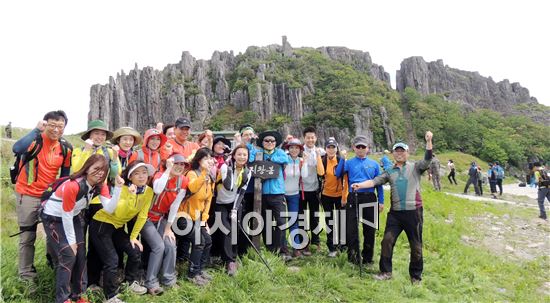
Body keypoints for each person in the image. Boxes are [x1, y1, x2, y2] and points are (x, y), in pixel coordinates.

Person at [351, 131, 433, 284]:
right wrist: (359, 185)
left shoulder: (415, 167)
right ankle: (385, 272)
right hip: (395, 214)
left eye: (402, 151)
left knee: (415, 245)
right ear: (394, 154)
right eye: (397, 151)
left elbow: (428, 160)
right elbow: (374, 181)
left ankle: (415, 276)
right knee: (387, 241)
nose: (400, 153)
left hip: (413, 212)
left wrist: (429, 141)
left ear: (407, 153)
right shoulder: (389, 171)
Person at [41, 155, 116, 303]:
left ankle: (79, 295)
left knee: (81, 255)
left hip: (73, 216)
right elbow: (66, 215)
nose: (100, 173)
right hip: (54, 218)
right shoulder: (73, 185)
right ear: (87, 168)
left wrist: (118, 188)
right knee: (69, 255)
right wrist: (71, 242)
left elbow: (109, 208)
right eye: (96, 169)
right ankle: (63, 299)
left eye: (104, 170)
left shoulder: (101, 185)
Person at [12, 111, 72, 283]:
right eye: (52, 125)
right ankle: (26, 276)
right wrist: (36, 130)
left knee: (53, 233)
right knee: (27, 235)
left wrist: (58, 197)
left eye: (60, 126)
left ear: (64, 127)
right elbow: (17, 148)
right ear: (45, 124)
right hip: (28, 194)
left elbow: (65, 176)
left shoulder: (66, 147)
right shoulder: (35, 141)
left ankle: (53, 264)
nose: (55, 129)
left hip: (49, 197)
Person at [90, 161, 155, 303]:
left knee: (134, 250)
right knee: (112, 260)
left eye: (144, 172)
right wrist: (131, 195)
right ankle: (110, 296)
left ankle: (130, 283)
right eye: (136, 173)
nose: (141, 176)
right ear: (130, 177)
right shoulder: (123, 189)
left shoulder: (148, 191)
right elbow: (118, 212)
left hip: (117, 227)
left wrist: (133, 237)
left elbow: (143, 215)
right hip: (102, 224)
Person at [72, 119, 120, 289]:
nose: (100, 137)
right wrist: (86, 150)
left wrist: (114, 159)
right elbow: (76, 170)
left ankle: (92, 280)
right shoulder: (78, 150)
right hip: (81, 200)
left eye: (102, 134)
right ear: (89, 135)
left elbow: (115, 174)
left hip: (100, 200)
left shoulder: (108, 151)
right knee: (79, 241)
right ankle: (76, 281)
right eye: (96, 133)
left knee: (97, 241)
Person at [141, 154, 189, 295]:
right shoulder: (160, 175)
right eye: (176, 163)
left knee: (170, 244)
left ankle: (168, 279)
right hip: (145, 217)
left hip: (161, 219)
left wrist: (168, 229)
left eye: (183, 165)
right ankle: (151, 282)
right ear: (169, 163)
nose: (179, 167)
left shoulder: (183, 181)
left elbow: (174, 206)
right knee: (159, 246)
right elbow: (157, 189)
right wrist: (168, 170)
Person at [335, 135, 384, 266]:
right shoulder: (349, 162)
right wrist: (342, 159)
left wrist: (381, 201)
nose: (361, 149)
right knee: (352, 228)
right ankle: (354, 256)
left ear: (368, 148)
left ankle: (368, 257)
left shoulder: (374, 164)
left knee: (370, 228)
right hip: (353, 196)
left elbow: (378, 183)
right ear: (354, 148)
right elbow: (338, 174)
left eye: (363, 147)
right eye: (358, 147)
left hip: (370, 197)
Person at [175, 148, 215, 286]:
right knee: (199, 241)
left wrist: (204, 220)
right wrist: (204, 173)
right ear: (199, 160)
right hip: (183, 216)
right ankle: (192, 274)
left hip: (197, 217)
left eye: (210, 158)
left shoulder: (210, 177)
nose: (209, 161)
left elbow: (207, 200)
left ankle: (199, 271)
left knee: (208, 240)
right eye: (206, 158)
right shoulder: (192, 173)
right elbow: (192, 188)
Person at [251, 130, 291, 256]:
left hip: (277, 193)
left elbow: (285, 159)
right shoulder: (257, 152)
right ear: (262, 142)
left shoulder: (280, 153)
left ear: (276, 143)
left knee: (281, 221)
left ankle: (282, 249)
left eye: (272, 141)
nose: (269, 143)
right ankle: (270, 248)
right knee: (266, 222)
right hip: (261, 194)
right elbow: (251, 158)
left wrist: (268, 158)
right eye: (266, 141)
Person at [214, 144, 251, 275]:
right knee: (225, 230)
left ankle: (233, 259)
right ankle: (228, 260)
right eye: (239, 154)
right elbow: (229, 186)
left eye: (244, 155)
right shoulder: (225, 167)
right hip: (220, 203)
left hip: (234, 203)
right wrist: (232, 168)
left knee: (235, 230)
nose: (242, 157)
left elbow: (241, 192)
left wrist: (235, 209)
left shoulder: (248, 171)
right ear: (234, 155)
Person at [318, 137, 347, 258]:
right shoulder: (322, 160)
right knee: (329, 221)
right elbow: (320, 173)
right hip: (326, 195)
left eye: (333, 147)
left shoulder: (341, 160)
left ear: (337, 149)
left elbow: (346, 180)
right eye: (328, 147)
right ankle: (331, 246)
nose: (331, 150)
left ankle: (343, 245)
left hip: (339, 195)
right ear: (325, 149)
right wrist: (317, 156)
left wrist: (344, 197)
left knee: (341, 220)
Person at [300, 127, 325, 254]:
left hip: (315, 189)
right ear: (304, 138)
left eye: (312, 137)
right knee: (302, 217)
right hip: (301, 189)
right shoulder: (299, 151)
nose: (310, 139)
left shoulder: (320, 152)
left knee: (314, 216)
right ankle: (304, 243)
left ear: (316, 138)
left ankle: (316, 241)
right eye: (308, 137)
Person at [282, 138, 308, 258]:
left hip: (294, 195)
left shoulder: (301, 161)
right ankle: (283, 247)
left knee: (293, 221)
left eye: (296, 148)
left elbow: (305, 175)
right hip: (281, 194)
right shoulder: (284, 159)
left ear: (300, 150)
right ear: (288, 149)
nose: (294, 150)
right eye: (291, 147)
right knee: (281, 221)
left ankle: (296, 247)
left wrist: (305, 162)